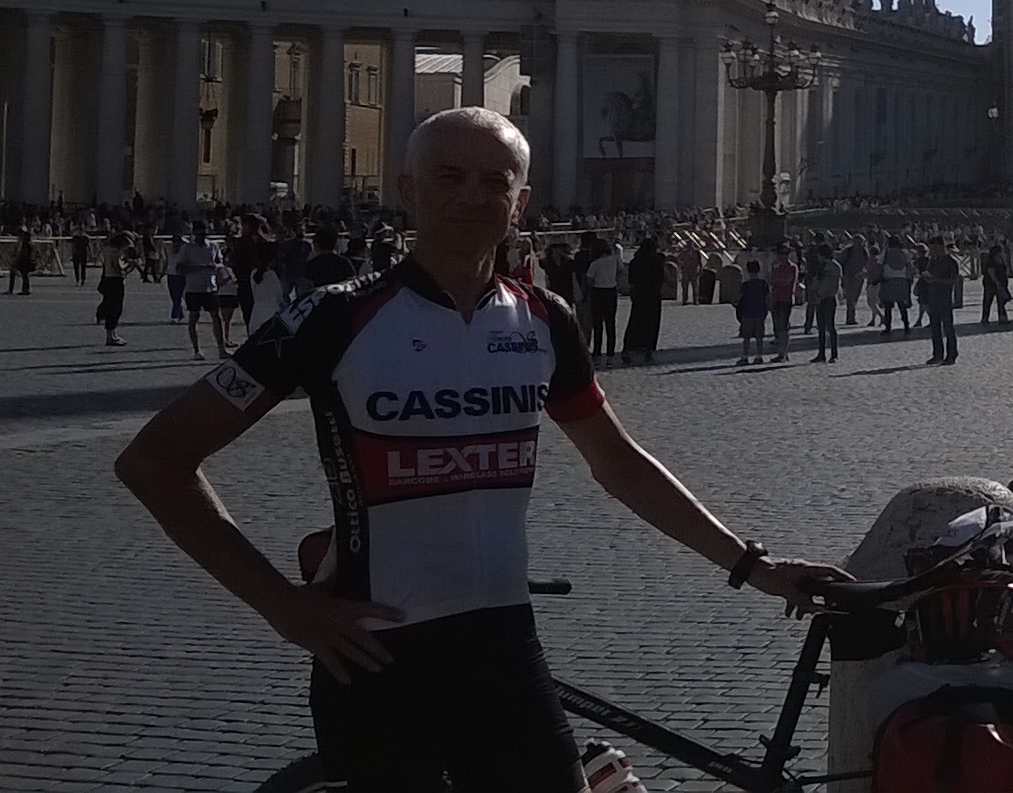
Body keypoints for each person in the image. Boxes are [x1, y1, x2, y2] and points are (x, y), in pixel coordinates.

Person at [114, 107, 844, 793]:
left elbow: (617, 463)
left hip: (500, 646)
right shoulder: (334, 316)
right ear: (406, 190)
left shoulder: (543, 319)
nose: (472, 196)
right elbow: (155, 462)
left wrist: (756, 567)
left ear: (520, 202)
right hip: (374, 656)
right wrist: (284, 608)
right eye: (448, 177)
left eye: (496, 181)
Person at [178, 222, 228, 359]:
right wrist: (199, 268)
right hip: (193, 287)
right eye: (199, 234)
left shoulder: (212, 246)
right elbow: (180, 268)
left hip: (210, 286)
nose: (201, 236)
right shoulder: (187, 248)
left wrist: (215, 266)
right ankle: (196, 350)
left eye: (204, 234)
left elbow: (220, 262)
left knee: (216, 317)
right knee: (194, 317)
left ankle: (221, 349)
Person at [623, 237, 666, 367]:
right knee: (652, 322)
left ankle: (630, 346)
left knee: (636, 320)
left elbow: (631, 279)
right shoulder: (657, 261)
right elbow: (661, 278)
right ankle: (648, 348)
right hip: (653, 294)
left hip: (640, 294)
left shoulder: (635, 261)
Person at [578, 236, 622, 363]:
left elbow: (589, 280)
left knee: (597, 324)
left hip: (598, 292)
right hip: (611, 291)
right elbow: (621, 271)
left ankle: (597, 352)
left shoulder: (595, 264)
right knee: (611, 323)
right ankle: (610, 354)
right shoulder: (615, 260)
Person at [919, 238, 961, 366]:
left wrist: (936, 280)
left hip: (944, 298)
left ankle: (952, 354)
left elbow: (953, 280)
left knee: (948, 327)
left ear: (940, 247)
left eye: (934, 248)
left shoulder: (951, 262)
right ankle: (937, 354)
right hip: (933, 297)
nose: (932, 251)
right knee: (935, 328)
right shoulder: (932, 261)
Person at [804, 242, 841, 363]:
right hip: (819, 299)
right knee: (820, 327)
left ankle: (834, 354)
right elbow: (815, 281)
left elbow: (834, 285)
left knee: (830, 327)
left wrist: (822, 293)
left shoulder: (835, 267)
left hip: (829, 298)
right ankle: (821, 353)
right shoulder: (821, 266)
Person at [766, 243, 802, 363]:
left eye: (785, 253)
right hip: (776, 298)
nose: (782, 256)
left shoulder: (792, 267)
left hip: (786, 299)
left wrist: (776, 281)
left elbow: (786, 281)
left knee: (783, 326)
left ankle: (784, 353)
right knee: (777, 326)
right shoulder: (775, 266)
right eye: (781, 253)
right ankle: (780, 352)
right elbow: (771, 280)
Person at [94, 234, 130, 346]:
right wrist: (129, 264)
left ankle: (111, 334)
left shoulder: (106, 250)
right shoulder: (117, 252)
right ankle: (111, 335)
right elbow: (118, 267)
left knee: (110, 306)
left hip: (108, 278)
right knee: (116, 308)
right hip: (116, 280)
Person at [734, 259, 771, 365]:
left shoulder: (746, 285)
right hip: (759, 313)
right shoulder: (763, 284)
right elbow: (768, 298)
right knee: (759, 337)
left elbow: (739, 298)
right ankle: (759, 356)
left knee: (746, 337)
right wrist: (766, 310)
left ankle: (745, 356)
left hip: (747, 313)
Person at [9, 227, 37, 295]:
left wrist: (17, 258)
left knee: (24, 274)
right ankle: (16, 289)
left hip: (24, 260)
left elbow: (23, 252)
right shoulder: (26, 242)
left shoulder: (26, 243)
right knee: (21, 274)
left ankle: (24, 289)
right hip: (24, 260)